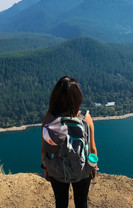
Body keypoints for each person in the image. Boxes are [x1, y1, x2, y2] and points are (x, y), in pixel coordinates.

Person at [41, 76, 98, 208]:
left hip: (56, 170)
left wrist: (46, 168)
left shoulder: (49, 120)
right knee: (81, 202)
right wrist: (93, 167)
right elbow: (92, 149)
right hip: (82, 169)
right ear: (78, 97)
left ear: (55, 97)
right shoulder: (86, 118)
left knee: (61, 203)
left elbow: (45, 150)